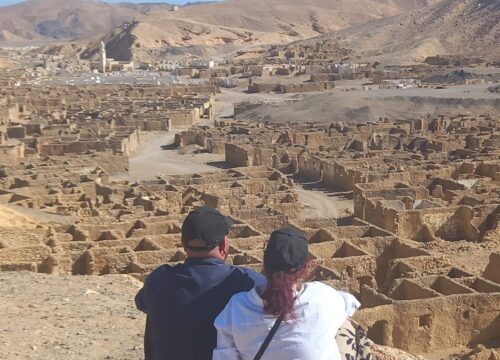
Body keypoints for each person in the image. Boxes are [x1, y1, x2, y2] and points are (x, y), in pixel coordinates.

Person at [135, 206, 266, 360]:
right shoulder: (249, 282)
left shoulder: (158, 280)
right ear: (224, 245)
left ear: (183, 243)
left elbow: (141, 303)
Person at [213, 228, 361, 360]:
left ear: (264, 262)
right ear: (304, 269)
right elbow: (351, 303)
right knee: (348, 328)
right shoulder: (322, 297)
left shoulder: (237, 307)